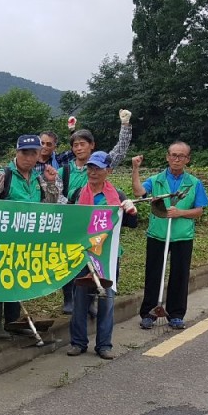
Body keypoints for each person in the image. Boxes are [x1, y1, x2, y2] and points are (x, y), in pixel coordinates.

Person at [0, 134, 65, 339]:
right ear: (16, 153)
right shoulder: (4, 175)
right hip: (1, 240)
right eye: (24, 153)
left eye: (33, 153)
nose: (28, 157)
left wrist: (52, 182)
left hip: (25, 242)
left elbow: (50, 203)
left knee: (16, 280)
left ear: (38, 155)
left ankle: (13, 322)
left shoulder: (38, 179)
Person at [64, 151, 139, 359]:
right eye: (90, 168)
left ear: (109, 171)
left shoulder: (118, 196)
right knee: (79, 299)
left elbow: (132, 224)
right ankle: (78, 342)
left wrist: (131, 210)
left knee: (106, 298)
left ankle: (104, 344)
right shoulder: (78, 193)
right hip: (82, 254)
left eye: (98, 168)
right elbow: (69, 222)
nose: (93, 172)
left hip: (107, 256)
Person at [58, 110, 134, 315]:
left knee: (99, 265)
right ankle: (70, 299)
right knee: (72, 265)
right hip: (74, 222)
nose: (79, 148)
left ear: (92, 146)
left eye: (83, 144)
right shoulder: (65, 170)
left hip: (100, 229)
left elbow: (120, 151)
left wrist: (125, 126)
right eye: (75, 145)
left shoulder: (102, 165)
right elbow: (57, 193)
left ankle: (92, 302)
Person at [132, 144, 208, 330]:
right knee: (153, 274)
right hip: (157, 234)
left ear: (187, 159)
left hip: (182, 236)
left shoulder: (194, 183)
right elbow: (138, 192)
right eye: (173, 155)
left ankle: (176, 314)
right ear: (167, 157)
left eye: (181, 156)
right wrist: (135, 169)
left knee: (179, 276)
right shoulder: (156, 180)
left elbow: (199, 210)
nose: (177, 159)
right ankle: (149, 313)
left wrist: (180, 212)